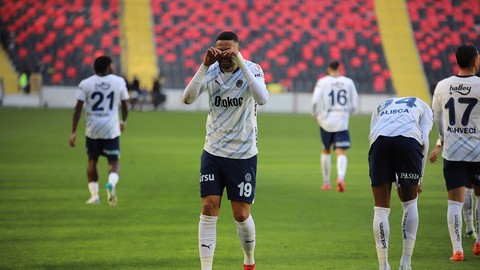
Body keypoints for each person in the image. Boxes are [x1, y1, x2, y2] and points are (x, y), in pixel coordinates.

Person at [182, 31, 269, 270]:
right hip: (213, 150)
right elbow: (187, 99)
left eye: (229, 50)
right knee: (208, 206)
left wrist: (240, 61)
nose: (224, 55)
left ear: (238, 49)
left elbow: (262, 99)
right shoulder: (210, 71)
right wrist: (203, 65)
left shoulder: (252, 68)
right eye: (220, 50)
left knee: (241, 214)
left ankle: (249, 260)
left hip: (243, 153)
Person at [369, 96, 433, 270]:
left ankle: (383, 265)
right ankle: (406, 263)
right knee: (410, 203)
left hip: (379, 143)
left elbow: (372, 134)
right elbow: (425, 140)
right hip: (408, 142)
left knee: (380, 208)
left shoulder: (382, 104)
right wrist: (419, 178)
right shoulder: (425, 107)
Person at [432, 44, 480, 261]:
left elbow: (436, 117)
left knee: (454, 202)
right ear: (475, 61)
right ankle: (478, 243)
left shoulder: (443, 86)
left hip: (453, 152)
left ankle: (457, 249)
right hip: (478, 152)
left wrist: (443, 138)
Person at [69, 55, 129, 207]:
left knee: (92, 161)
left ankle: (94, 196)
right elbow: (125, 105)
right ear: (108, 67)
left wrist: (73, 132)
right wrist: (123, 121)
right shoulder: (118, 81)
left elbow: (77, 109)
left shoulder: (86, 84)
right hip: (111, 129)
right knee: (113, 161)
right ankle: (111, 184)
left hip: (92, 129)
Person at [311, 60, 359, 192]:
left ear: (328, 69)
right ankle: (341, 178)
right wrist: (348, 112)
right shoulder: (348, 82)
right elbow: (355, 103)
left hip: (326, 120)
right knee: (341, 152)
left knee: (326, 149)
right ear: (340, 68)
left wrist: (314, 113)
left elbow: (315, 100)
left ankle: (326, 183)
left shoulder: (323, 81)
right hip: (341, 121)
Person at [429, 139, 477, 239]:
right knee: (470, 188)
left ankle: (468, 231)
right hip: (474, 150)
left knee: (460, 194)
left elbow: (445, 128)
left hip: (455, 152)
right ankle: (471, 231)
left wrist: (438, 146)